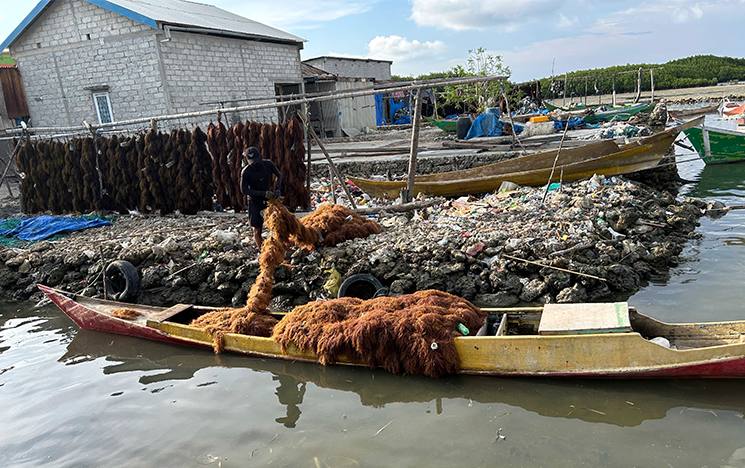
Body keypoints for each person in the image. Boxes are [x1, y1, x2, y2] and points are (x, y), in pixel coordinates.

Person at [240, 147, 282, 249]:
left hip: (268, 200)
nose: (256, 164)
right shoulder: (246, 171)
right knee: (257, 229)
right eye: (253, 162)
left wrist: (277, 189)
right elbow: (244, 190)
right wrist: (263, 193)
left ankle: (278, 246)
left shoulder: (268, 164)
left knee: (276, 224)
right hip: (254, 201)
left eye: (257, 161)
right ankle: (263, 251)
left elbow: (279, 175)